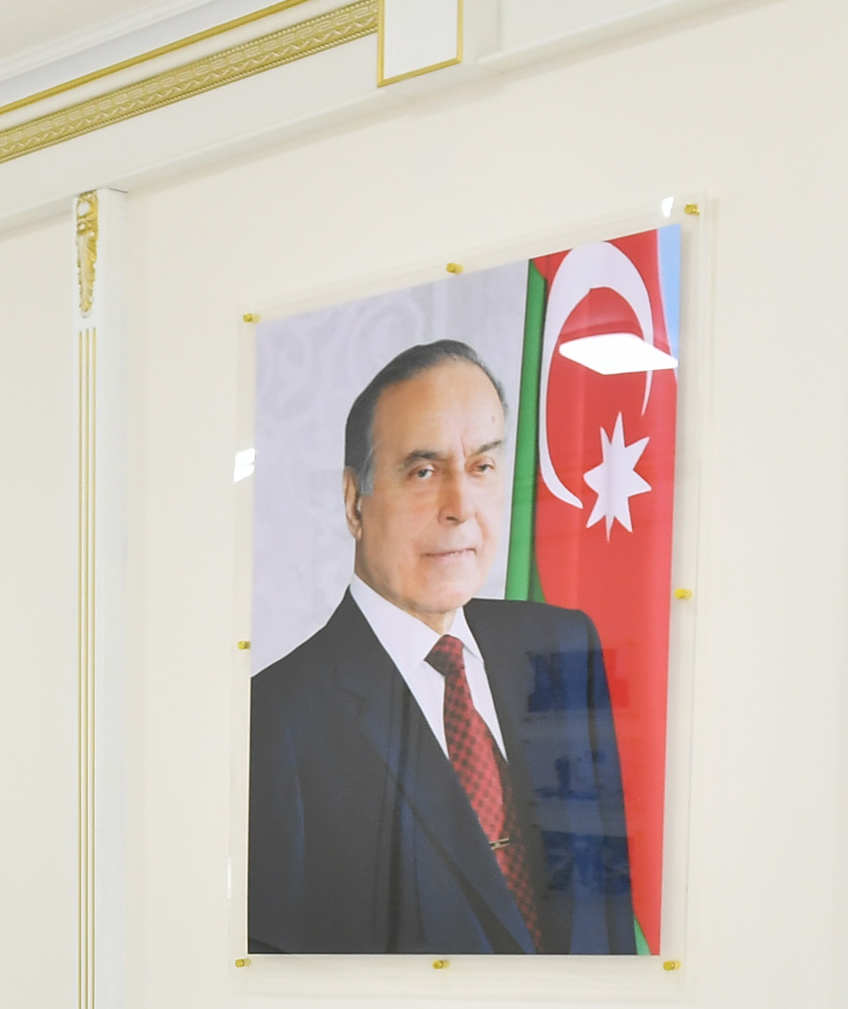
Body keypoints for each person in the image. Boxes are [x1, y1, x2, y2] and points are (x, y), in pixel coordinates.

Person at [247, 338, 637, 954]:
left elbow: (607, 910)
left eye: (481, 467)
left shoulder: (561, 649)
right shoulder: (273, 722)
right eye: (423, 471)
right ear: (355, 502)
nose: (461, 508)